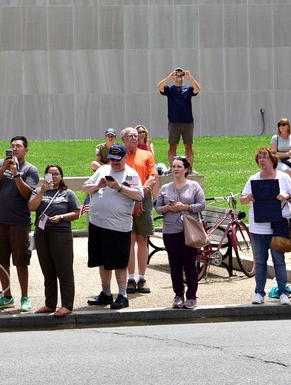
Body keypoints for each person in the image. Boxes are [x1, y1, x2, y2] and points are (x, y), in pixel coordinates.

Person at [83, 143, 143, 310]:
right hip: (97, 224)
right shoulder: (102, 170)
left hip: (118, 227)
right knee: (102, 261)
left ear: (125, 158)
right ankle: (106, 293)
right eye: (112, 160)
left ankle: (122, 295)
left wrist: (119, 187)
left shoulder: (130, 174)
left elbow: (139, 195)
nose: (115, 163)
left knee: (118, 262)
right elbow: (85, 187)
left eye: (118, 160)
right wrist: (98, 186)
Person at [0, 136, 40, 311]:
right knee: (0, 261)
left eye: (18, 146)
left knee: (21, 261)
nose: (15, 149)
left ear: (26, 150)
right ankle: (7, 297)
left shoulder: (30, 170)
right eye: (12, 146)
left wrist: (16, 173)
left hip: (20, 223)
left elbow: (27, 194)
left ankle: (25, 297)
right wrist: (3, 169)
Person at [240, 147, 291, 305]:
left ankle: (283, 292)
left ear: (273, 160)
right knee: (259, 261)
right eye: (259, 158)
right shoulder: (253, 178)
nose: (262, 160)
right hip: (257, 228)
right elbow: (242, 199)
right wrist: (249, 197)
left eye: (265, 157)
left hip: (278, 226)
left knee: (279, 260)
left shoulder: (283, 178)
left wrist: (286, 196)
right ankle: (259, 292)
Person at [27, 164, 80, 317]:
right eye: (50, 174)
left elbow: (77, 213)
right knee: (48, 272)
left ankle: (67, 305)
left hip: (61, 235)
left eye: (57, 174)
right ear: (45, 176)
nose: (54, 177)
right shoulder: (38, 191)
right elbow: (31, 207)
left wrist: (62, 217)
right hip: (42, 234)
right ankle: (50, 304)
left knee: (64, 272)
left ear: (61, 176)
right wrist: (42, 190)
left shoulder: (68, 193)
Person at [154, 156, 206, 309]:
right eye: (173, 166)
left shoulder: (194, 186)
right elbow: (157, 208)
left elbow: (201, 205)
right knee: (175, 265)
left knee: (189, 264)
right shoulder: (165, 188)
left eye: (178, 166)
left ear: (186, 169)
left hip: (188, 231)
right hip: (170, 231)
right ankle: (178, 295)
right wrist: (167, 208)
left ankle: (191, 297)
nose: (175, 169)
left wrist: (186, 207)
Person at [121, 126, 158, 294]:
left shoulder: (147, 155)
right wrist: (133, 196)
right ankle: (130, 278)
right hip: (124, 199)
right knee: (130, 239)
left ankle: (142, 278)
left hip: (144, 198)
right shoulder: (119, 156)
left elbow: (152, 176)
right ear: (123, 139)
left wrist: (140, 195)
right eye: (130, 136)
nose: (134, 138)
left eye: (136, 135)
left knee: (142, 238)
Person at [157, 67, 200, 165]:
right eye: (177, 74)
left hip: (188, 122)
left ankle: (190, 168)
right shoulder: (170, 89)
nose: (178, 77)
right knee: (173, 146)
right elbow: (159, 87)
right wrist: (169, 78)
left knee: (188, 146)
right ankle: (172, 168)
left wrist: (190, 77)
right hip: (174, 122)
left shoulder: (188, 89)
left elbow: (197, 89)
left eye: (181, 74)